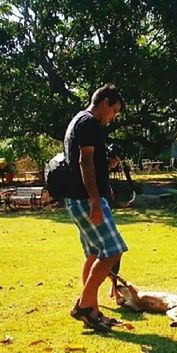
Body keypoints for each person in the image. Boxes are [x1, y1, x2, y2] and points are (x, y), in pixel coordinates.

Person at [64, 83, 128, 333]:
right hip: (85, 199)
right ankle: (84, 305)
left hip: (77, 197)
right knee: (113, 251)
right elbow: (85, 161)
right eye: (115, 111)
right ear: (105, 103)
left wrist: (107, 166)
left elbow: (91, 163)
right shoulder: (89, 123)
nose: (113, 117)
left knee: (93, 253)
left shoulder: (79, 121)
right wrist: (94, 201)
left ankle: (92, 310)